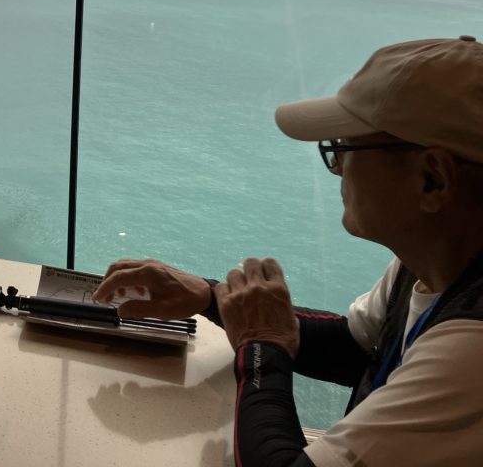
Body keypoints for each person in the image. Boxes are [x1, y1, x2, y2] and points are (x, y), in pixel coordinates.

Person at [93, 35, 483, 467]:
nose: (337, 168)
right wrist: (213, 298)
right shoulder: (434, 262)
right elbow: (356, 349)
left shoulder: (471, 353)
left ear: (432, 179)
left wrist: (260, 349)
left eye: (344, 147)